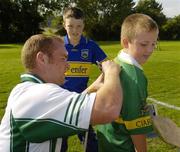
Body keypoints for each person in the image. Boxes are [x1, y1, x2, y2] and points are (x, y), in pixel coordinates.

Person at [0, 34, 122, 152]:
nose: (68, 65)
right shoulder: (38, 94)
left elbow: (60, 108)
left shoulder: (27, 90)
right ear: (42, 59)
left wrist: (92, 88)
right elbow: (108, 108)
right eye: (63, 58)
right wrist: (111, 71)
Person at [96, 13, 159, 152]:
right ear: (125, 42)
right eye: (144, 44)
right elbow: (136, 127)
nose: (150, 50)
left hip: (107, 140)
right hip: (121, 145)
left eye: (154, 43)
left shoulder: (117, 61)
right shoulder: (134, 78)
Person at [61, 6, 107, 152]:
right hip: (61, 102)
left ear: (83, 26)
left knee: (90, 142)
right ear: (64, 25)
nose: (75, 30)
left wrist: (105, 67)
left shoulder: (90, 46)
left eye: (79, 26)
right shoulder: (57, 45)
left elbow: (106, 63)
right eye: (70, 26)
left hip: (82, 100)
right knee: (60, 143)